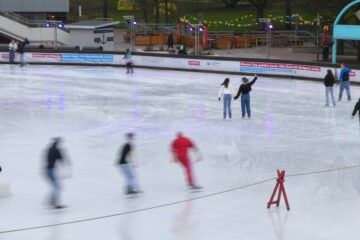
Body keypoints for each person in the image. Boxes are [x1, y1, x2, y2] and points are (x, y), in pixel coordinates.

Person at [44, 137, 69, 209]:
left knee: (55, 186)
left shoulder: (49, 149)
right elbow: (61, 159)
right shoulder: (56, 150)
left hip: (47, 170)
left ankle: (50, 201)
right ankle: (53, 203)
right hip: (50, 170)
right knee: (57, 187)